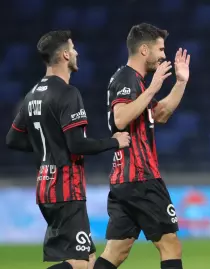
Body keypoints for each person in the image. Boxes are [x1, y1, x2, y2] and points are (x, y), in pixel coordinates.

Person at [5, 30, 130, 269]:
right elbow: (77, 144)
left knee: (90, 260)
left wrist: (48, 146)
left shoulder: (32, 95)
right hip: (66, 188)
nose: (76, 52)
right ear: (64, 55)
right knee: (80, 264)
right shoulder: (67, 93)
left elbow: (13, 139)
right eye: (72, 48)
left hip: (45, 185)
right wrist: (115, 141)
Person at [93, 23, 190, 269]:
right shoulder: (127, 77)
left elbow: (161, 114)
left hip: (125, 180)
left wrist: (180, 82)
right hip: (141, 177)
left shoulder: (137, 82)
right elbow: (120, 118)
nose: (163, 55)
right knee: (170, 245)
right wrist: (153, 89)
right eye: (160, 49)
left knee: (117, 251)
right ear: (144, 50)